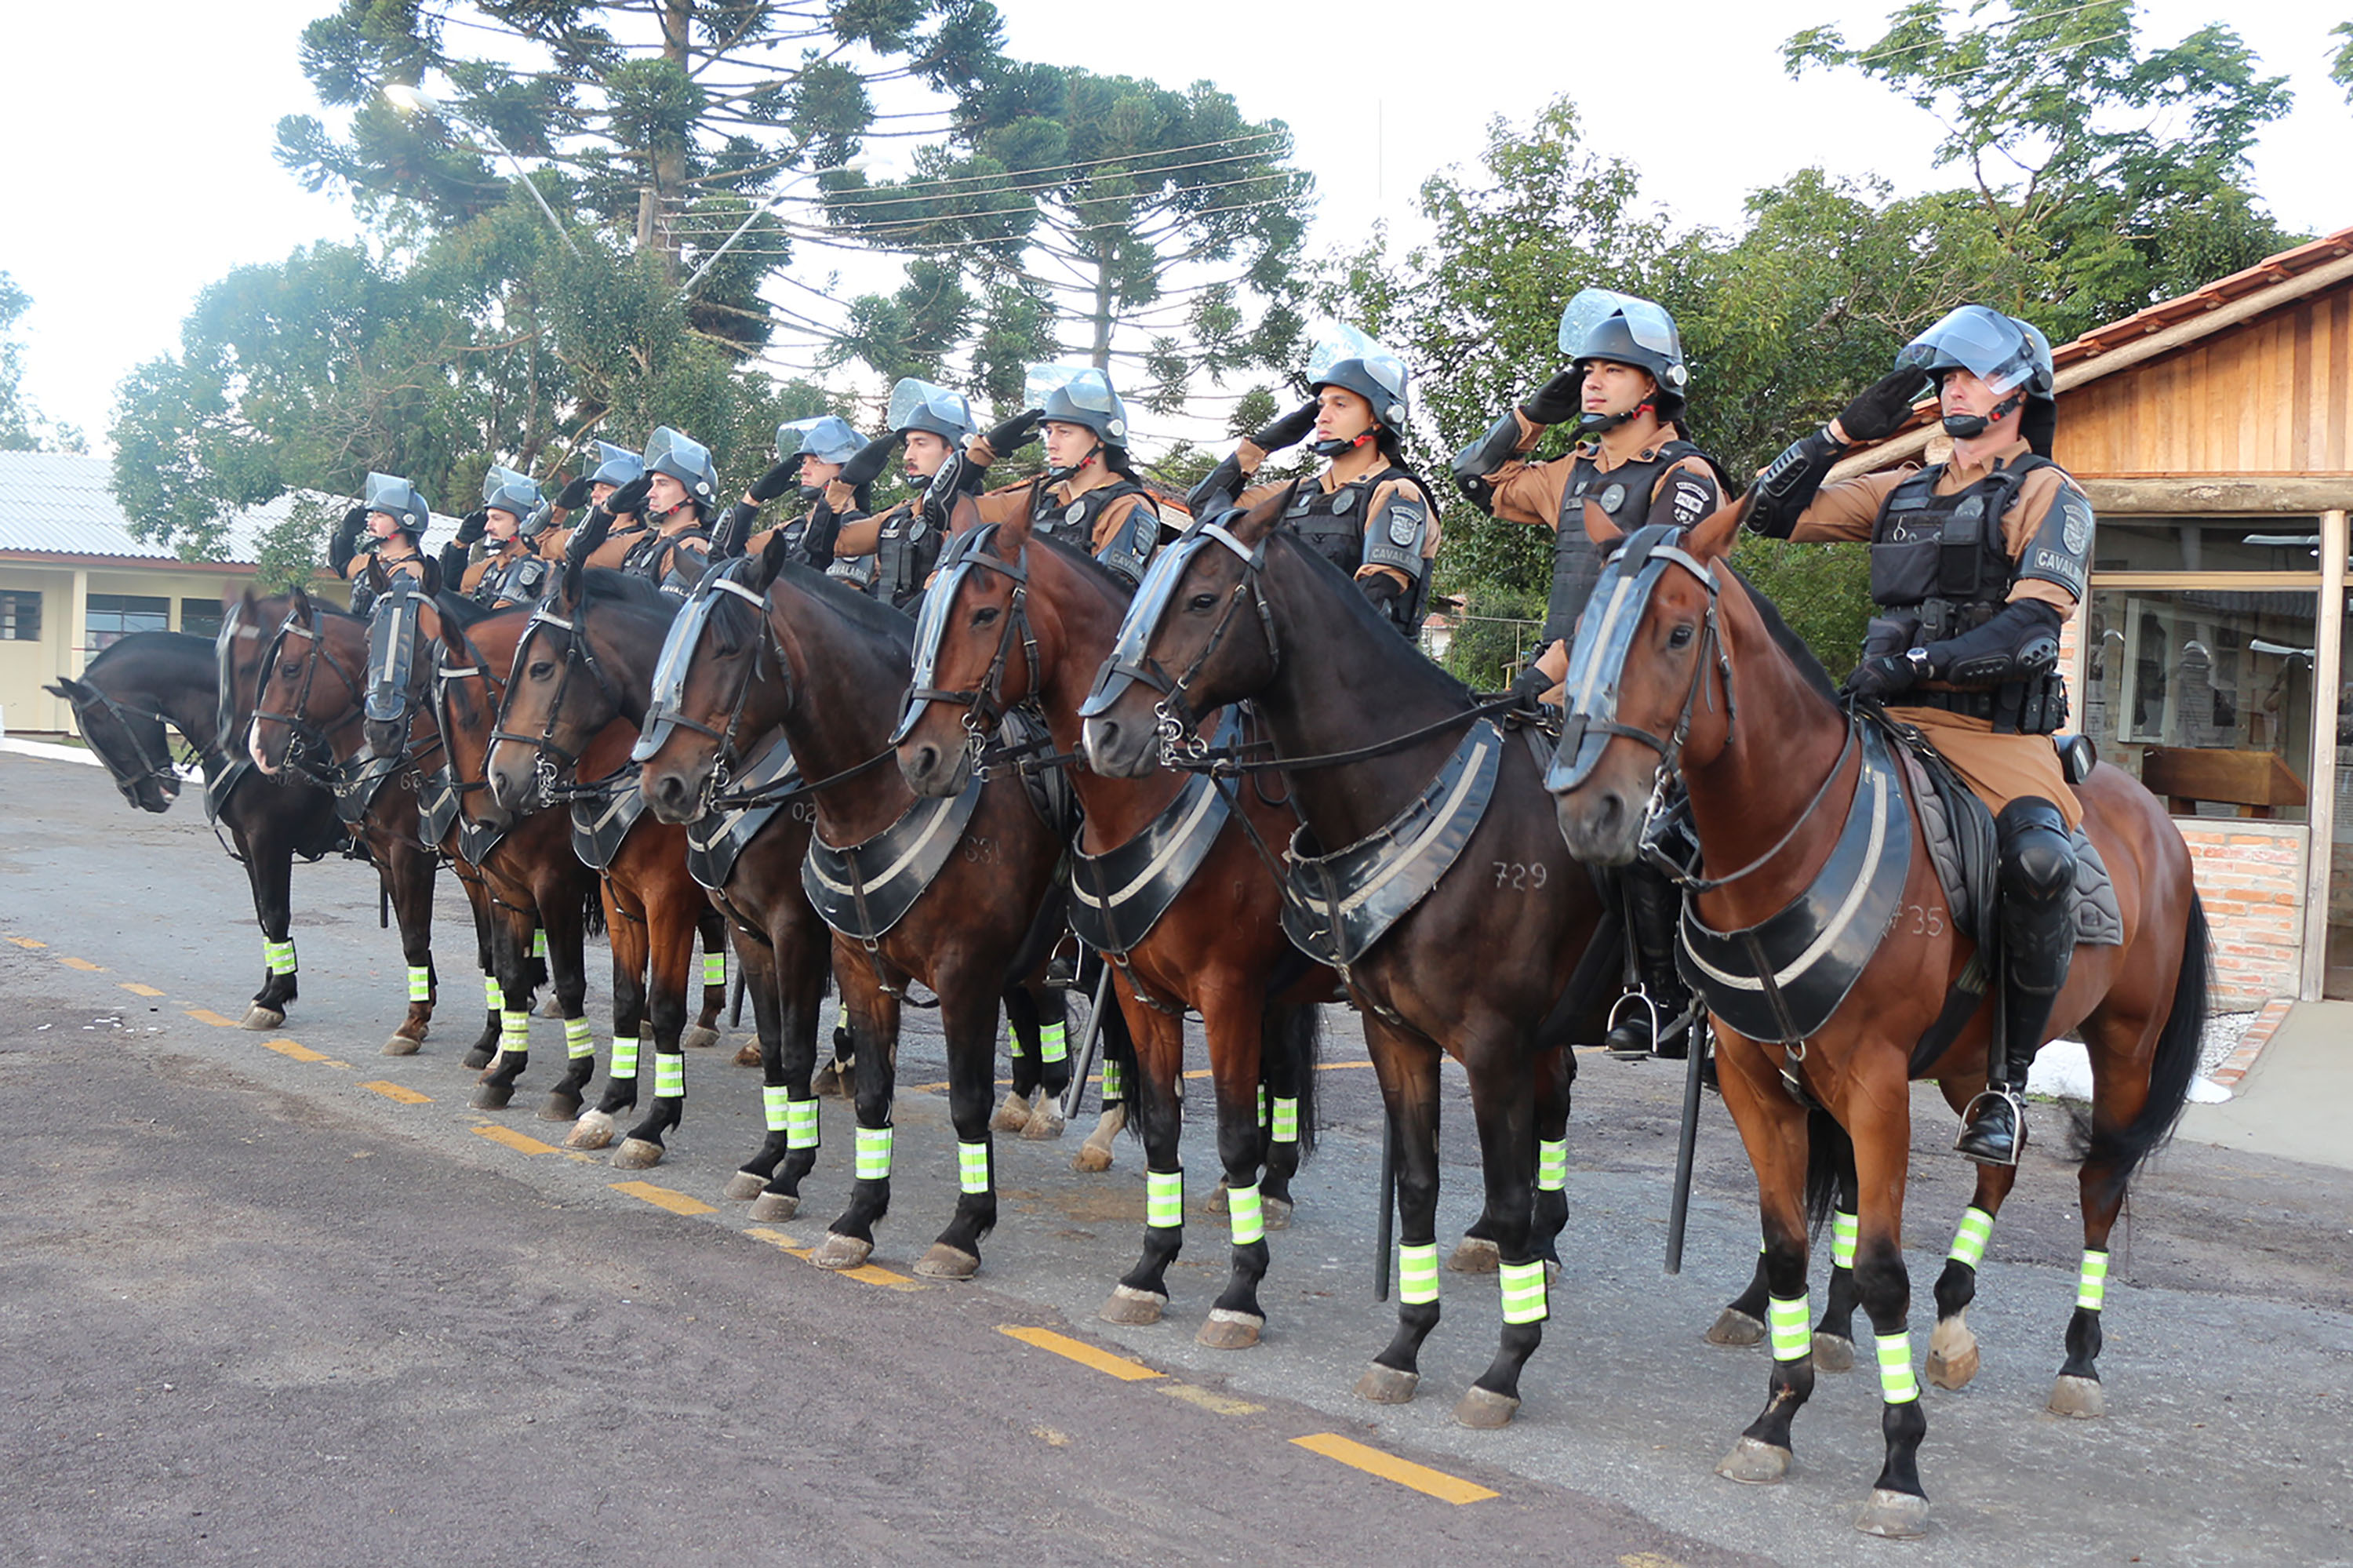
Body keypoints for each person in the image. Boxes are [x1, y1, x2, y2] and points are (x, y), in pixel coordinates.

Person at [1741, 304, 2089, 1166]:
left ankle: (2005, 1081)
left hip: (1994, 740)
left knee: (2040, 864)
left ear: (2015, 392)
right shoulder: (1900, 487)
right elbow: (1765, 514)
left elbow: (2033, 632)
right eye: (1943, 379)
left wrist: (1917, 663)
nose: (1950, 391)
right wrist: (1841, 430)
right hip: (1883, 724)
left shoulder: (2050, 493)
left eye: (1966, 376)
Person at [1451, 289, 1726, 1059]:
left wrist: (1544, 672)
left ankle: (1661, 995)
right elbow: (1474, 479)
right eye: (1586, 371)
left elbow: (1637, 602)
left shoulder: (1686, 475)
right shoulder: (1571, 472)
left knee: (1639, 831)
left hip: (1647, 703)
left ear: (1655, 385)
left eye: (1612, 370)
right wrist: (1535, 409)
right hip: (1559, 697)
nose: (1593, 383)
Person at [1188, 326, 1438, 637]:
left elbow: (1374, 599)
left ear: (1377, 418)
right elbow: (1206, 508)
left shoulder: (1396, 493)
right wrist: (1266, 443)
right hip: (1292, 671)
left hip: (1362, 677)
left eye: (1340, 404)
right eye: (1320, 406)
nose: (1322, 417)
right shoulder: (1298, 492)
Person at [939, 365, 1163, 588]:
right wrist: (985, 449)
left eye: (1064, 432)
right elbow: (946, 510)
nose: (1051, 444)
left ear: (1101, 438)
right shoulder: (1041, 499)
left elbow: (1111, 603)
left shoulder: (1127, 507)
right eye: (1049, 432)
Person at [830, 379, 976, 612]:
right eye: (908, 444)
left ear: (952, 449)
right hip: (888, 641)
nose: (908, 455)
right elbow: (830, 544)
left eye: (920, 444)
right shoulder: (900, 516)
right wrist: (845, 483)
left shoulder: (979, 515)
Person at [737, 416, 869, 569]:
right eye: (804, 462)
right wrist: (752, 499)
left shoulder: (860, 529)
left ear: (847, 469)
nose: (803, 471)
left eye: (817, 461)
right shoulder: (793, 528)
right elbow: (731, 555)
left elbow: (822, 589)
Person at [618, 427, 723, 597]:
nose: (650, 493)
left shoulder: (692, 549)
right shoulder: (646, 541)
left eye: (663, 484)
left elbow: (667, 614)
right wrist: (608, 510)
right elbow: (576, 554)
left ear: (691, 495)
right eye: (653, 484)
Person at [441, 467, 557, 607]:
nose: (487, 527)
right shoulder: (495, 564)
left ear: (526, 522)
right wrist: (460, 544)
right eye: (488, 519)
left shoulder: (540, 565)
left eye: (497, 519)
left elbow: (500, 621)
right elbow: (453, 582)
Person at [330, 471, 437, 617]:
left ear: (403, 523)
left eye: (380, 516)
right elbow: (342, 564)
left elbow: (383, 620)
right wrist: (345, 537)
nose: (371, 522)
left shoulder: (410, 571)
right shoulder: (376, 561)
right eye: (372, 515)